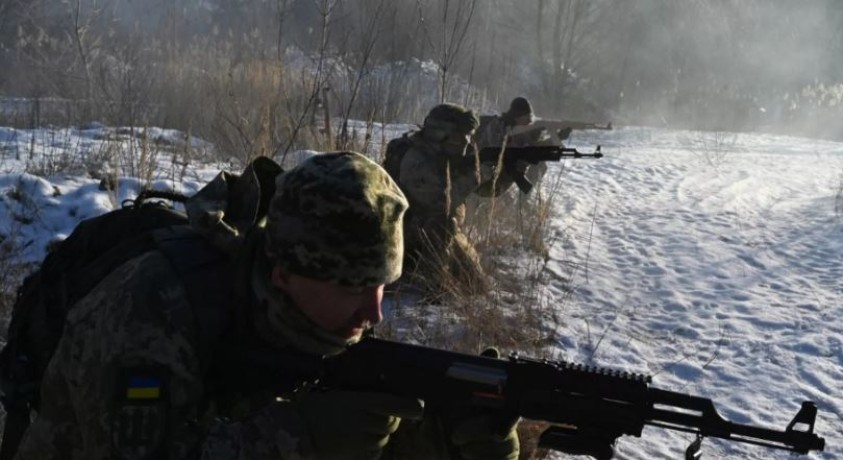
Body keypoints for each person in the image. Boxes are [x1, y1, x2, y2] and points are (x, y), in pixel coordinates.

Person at [12, 152, 519, 460]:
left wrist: (440, 444)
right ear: (284, 274)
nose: (375, 313)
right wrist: (294, 441)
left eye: (382, 284)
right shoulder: (148, 316)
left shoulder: (321, 321)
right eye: (352, 286)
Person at [394, 103, 525, 294]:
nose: (466, 142)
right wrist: (477, 174)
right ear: (440, 134)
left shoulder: (447, 154)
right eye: (460, 136)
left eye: (468, 135)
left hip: (436, 232)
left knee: (476, 283)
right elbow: (441, 202)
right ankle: (432, 285)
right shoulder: (415, 159)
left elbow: (487, 190)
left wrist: (508, 174)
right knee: (444, 223)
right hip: (406, 233)